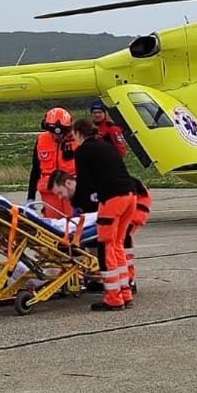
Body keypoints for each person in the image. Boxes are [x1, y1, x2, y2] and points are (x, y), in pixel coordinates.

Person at [68, 117, 137, 311]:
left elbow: (84, 182)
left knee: (105, 246)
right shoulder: (106, 146)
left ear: (78, 133)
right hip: (130, 196)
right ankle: (125, 292)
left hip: (112, 199)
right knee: (117, 245)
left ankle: (113, 298)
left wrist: (77, 204)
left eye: (73, 135)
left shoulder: (83, 151)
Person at [27, 107, 76, 204]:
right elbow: (35, 169)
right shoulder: (41, 140)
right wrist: (31, 197)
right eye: (54, 133)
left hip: (71, 193)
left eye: (62, 134)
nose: (58, 136)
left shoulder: (77, 140)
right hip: (49, 194)